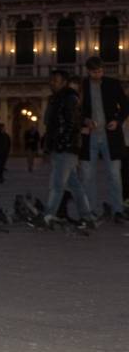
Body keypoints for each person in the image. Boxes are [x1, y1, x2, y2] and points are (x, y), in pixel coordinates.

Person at [41, 70, 95, 231]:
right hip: (64, 147)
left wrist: (61, 144)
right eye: (51, 80)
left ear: (64, 82)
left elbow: (71, 124)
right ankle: (88, 216)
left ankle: (48, 215)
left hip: (65, 148)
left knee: (57, 185)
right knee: (75, 185)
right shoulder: (58, 99)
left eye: (55, 81)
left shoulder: (69, 98)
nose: (52, 83)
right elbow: (51, 124)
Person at [79, 56, 128, 221]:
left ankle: (117, 210)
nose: (98, 74)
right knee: (87, 175)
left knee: (114, 174)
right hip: (89, 136)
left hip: (111, 136)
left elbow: (126, 106)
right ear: (88, 71)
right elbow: (76, 110)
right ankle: (90, 210)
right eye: (94, 72)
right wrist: (84, 120)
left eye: (100, 71)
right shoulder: (82, 86)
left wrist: (117, 121)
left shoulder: (113, 84)